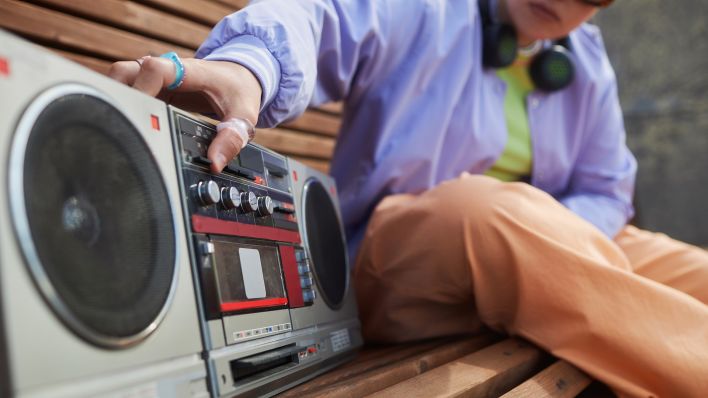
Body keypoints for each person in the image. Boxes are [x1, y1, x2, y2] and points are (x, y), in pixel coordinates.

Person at [109, 0, 708, 396]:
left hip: (548, 248)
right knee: (493, 213)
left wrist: (566, 241)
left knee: (689, 267)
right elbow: (320, 17)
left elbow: (606, 191)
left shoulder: (590, 66)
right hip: (407, 256)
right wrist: (250, 68)